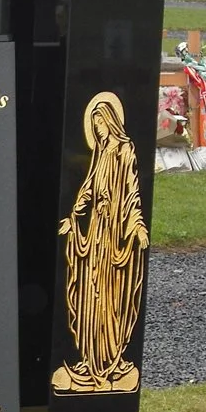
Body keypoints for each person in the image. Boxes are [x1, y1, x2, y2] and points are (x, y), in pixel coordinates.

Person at [52, 93, 149, 394]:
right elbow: (88, 189)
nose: (97, 127)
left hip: (115, 234)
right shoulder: (101, 153)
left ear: (110, 120)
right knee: (90, 293)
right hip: (96, 231)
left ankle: (110, 360)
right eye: (93, 122)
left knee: (109, 295)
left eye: (100, 121)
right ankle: (91, 359)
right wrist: (73, 216)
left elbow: (133, 191)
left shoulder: (124, 150)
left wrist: (137, 225)